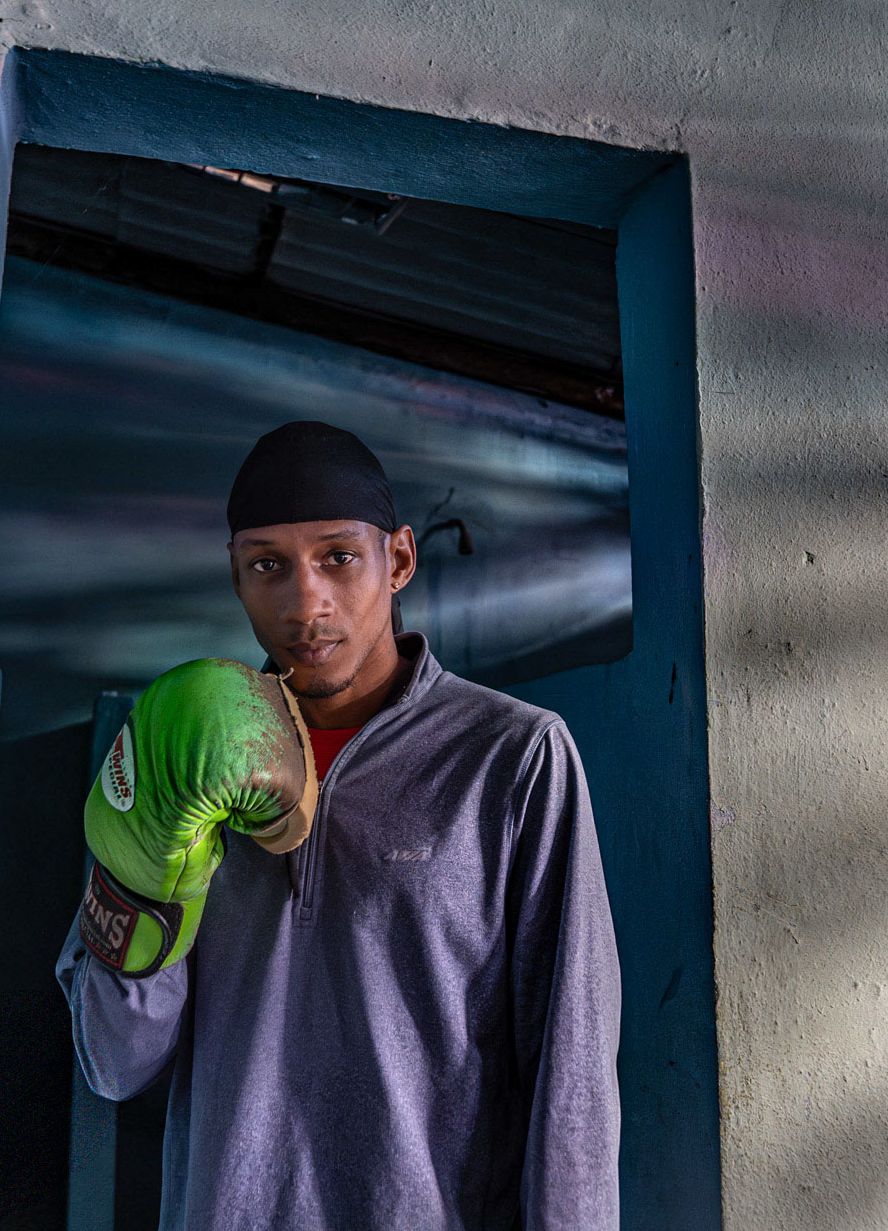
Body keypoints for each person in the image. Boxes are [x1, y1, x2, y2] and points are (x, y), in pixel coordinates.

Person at [56, 420, 622, 1230]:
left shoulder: (512, 756)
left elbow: (573, 1071)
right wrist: (146, 872)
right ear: (235, 574)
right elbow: (116, 1064)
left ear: (399, 559)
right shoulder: (177, 753)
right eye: (268, 566)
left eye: (339, 558)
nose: (305, 603)